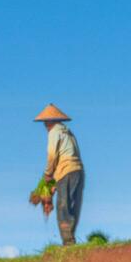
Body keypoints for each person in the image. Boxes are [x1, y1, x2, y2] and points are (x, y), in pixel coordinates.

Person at [36, 103, 84, 245]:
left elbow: (52, 156)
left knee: (63, 206)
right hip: (78, 171)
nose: (45, 125)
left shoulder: (54, 132)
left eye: (46, 122)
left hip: (66, 170)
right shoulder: (67, 132)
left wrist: (48, 175)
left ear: (50, 121)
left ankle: (68, 242)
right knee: (73, 205)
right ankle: (71, 239)